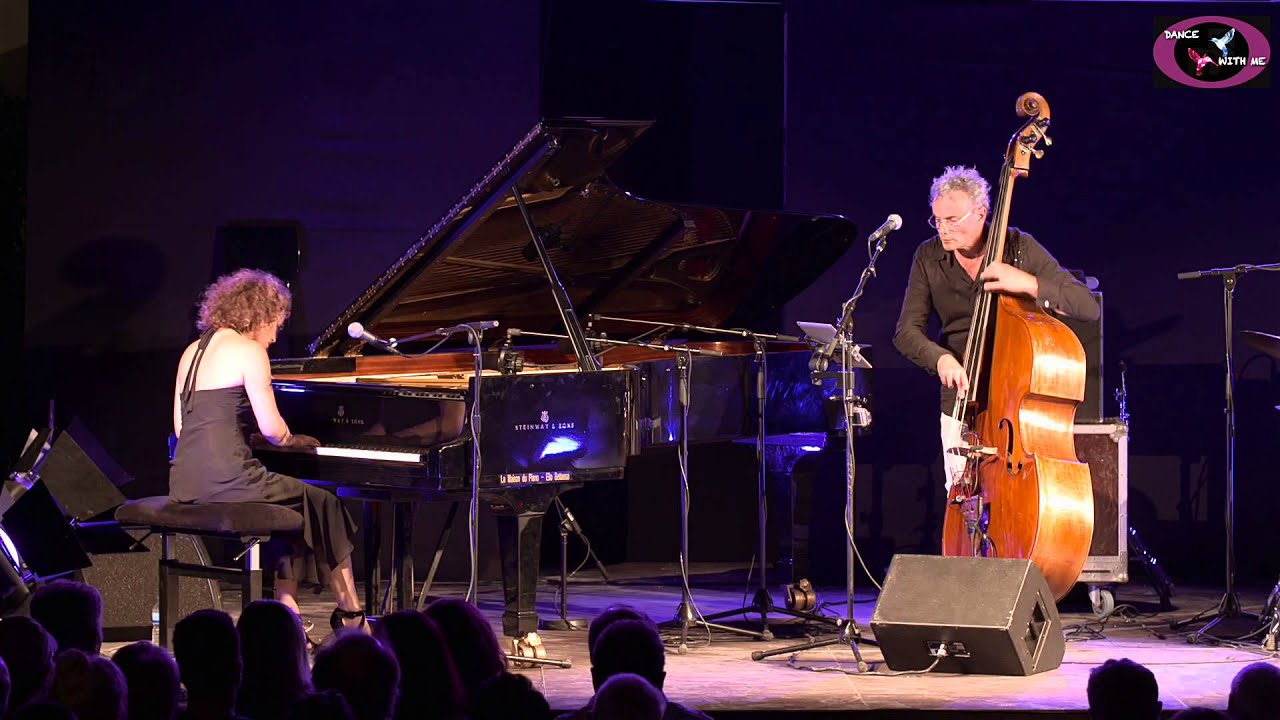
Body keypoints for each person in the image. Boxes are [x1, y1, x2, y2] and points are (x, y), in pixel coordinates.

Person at [169, 269, 365, 632]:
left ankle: (288, 612)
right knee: (323, 502)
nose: (275, 337)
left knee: (289, 502)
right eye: (276, 324)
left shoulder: (191, 352)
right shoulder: (250, 352)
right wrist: (292, 439)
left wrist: (247, 440)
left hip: (185, 482)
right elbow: (274, 430)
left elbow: (183, 429)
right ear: (259, 315)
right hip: (229, 480)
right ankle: (352, 615)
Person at [893, 165, 1100, 490]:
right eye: (937, 220)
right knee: (962, 499)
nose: (943, 230)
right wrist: (940, 358)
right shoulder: (928, 256)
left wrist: (1028, 282)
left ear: (980, 213)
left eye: (952, 220)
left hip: (1016, 404)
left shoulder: (1018, 247)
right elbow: (906, 331)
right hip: (961, 403)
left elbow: (1087, 306)